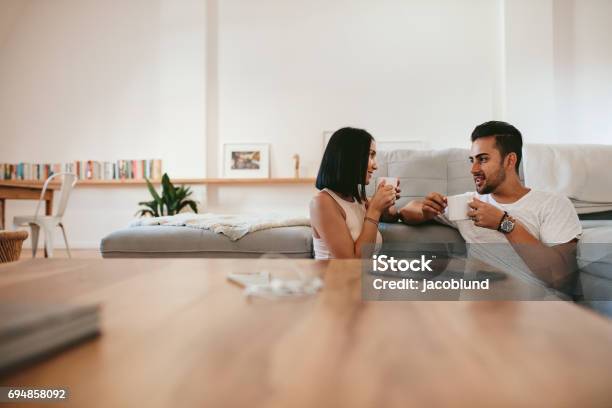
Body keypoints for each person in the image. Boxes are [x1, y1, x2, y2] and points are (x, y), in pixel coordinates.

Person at [399, 121, 582, 288]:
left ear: (510, 160)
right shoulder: (467, 204)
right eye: (472, 160)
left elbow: (560, 277)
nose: (473, 169)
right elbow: (406, 210)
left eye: (483, 159)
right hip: (481, 300)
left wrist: (505, 224)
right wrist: (425, 210)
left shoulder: (553, 204)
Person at [310, 127, 400, 259]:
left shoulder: (358, 199)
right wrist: (374, 209)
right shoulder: (322, 203)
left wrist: (385, 205)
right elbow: (353, 264)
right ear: (350, 157)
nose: (376, 166)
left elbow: (390, 217)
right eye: (370, 155)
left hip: (363, 278)